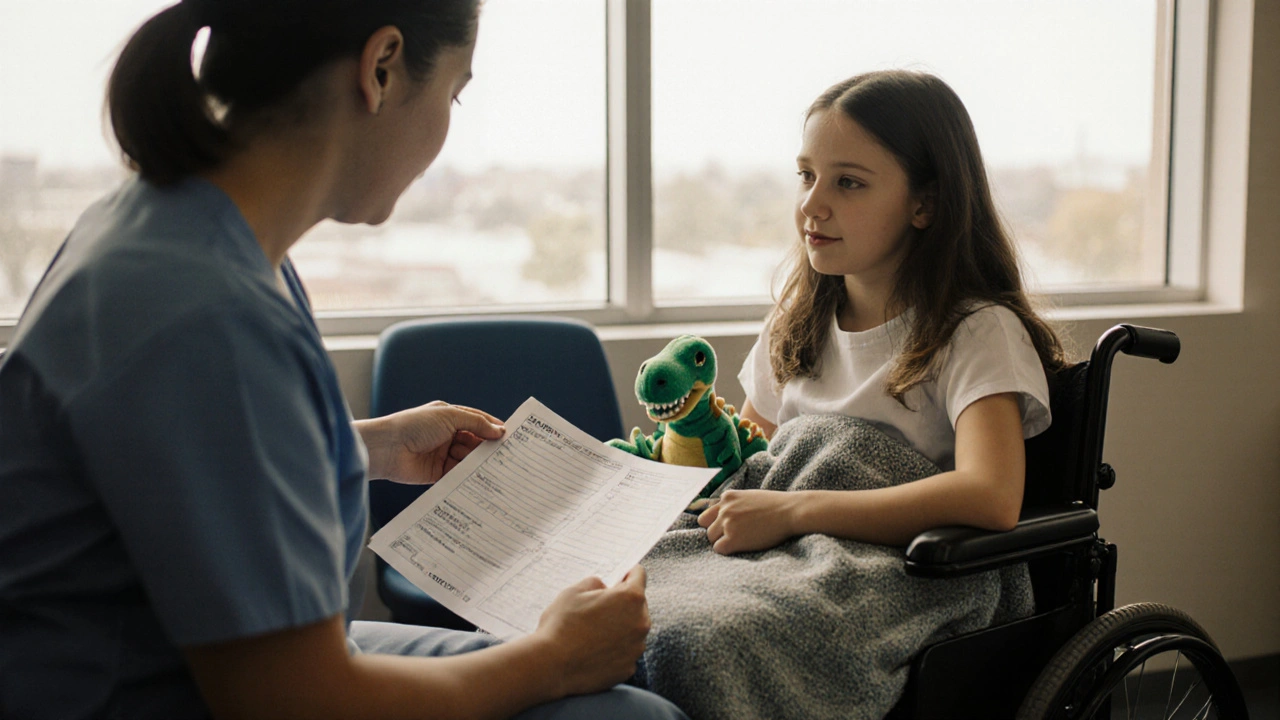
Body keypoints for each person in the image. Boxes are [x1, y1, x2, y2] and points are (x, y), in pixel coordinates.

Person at [0, 1, 687, 719]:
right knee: (633, 714)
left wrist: (372, 445)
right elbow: (293, 702)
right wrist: (551, 660)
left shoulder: (179, 228)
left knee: (622, 691)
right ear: (381, 67)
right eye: (454, 93)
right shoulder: (202, 312)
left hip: (247, 661)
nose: (447, 129)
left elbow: (202, 461)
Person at [700, 70, 1068, 555]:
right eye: (807, 176)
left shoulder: (977, 332)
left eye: (848, 182)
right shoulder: (793, 326)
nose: (812, 203)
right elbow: (749, 470)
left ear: (925, 204)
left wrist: (794, 510)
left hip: (896, 574)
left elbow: (991, 496)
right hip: (781, 561)